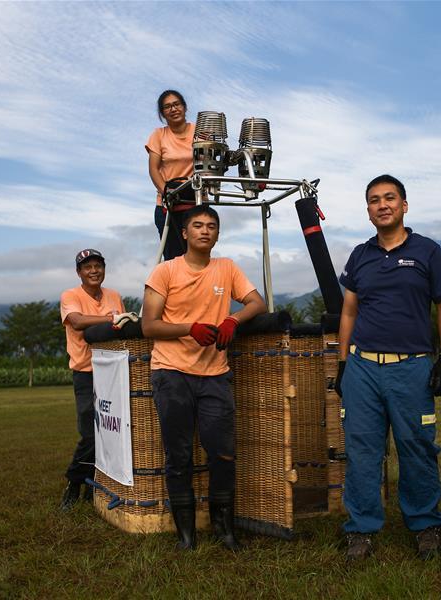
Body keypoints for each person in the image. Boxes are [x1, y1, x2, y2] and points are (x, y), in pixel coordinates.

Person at [335, 174, 441, 561]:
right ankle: (361, 530)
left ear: (405, 205)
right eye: (374, 200)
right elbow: (349, 310)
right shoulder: (360, 255)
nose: (382, 204)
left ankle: (425, 526)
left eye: (390, 198)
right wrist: (342, 364)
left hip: (412, 367)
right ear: (368, 210)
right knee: (361, 450)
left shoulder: (427, 251)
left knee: (416, 447)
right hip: (363, 367)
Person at [141, 204, 267, 552]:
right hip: (171, 372)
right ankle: (186, 536)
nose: (205, 230)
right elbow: (148, 325)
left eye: (212, 225)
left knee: (222, 453)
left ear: (217, 233)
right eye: (197, 225)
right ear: (184, 233)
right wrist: (189, 329)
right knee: (179, 454)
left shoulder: (226, 268)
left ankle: (224, 529)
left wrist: (233, 321)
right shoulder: (164, 272)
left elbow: (258, 302)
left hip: (215, 374)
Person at [59, 249, 126, 510]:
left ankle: (94, 484)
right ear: (79, 272)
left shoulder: (114, 295)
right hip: (85, 372)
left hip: (112, 371)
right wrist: (110, 319)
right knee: (89, 433)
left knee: (111, 431)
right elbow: (76, 322)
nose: (94, 271)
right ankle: (74, 482)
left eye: (98, 265)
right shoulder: (70, 295)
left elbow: (120, 329)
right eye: (88, 267)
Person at [146, 89, 196, 261]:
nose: (173, 109)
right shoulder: (158, 135)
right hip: (168, 205)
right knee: (173, 260)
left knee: (197, 257)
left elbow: (208, 162)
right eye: (167, 107)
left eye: (176, 104)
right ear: (162, 113)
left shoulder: (198, 132)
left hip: (195, 202)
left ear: (184, 107)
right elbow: (153, 168)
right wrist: (166, 191)